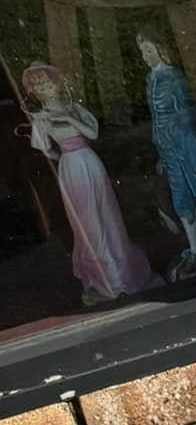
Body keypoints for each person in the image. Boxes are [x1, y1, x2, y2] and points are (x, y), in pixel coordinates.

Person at [21, 62, 158, 305]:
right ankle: (107, 280)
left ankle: (124, 273)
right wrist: (64, 157)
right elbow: (44, 149)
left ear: (57, 83)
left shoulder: (74, 109)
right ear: (35, 91)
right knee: (88, 222)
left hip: (90, 162)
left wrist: (68, 118)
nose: (45, 88)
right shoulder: (41, 119)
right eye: (39, 85)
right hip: (72, 168)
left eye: (48, 82)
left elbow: (93, 133)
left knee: (107, 214)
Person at [137, 32, 196, 277]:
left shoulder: (174, 77)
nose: (145, 56)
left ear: (160, 49)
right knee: (185, 197)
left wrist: (186, 145)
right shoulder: (151, 78)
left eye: (149, 50)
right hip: (168, 148)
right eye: (142, 52)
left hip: (182, 144)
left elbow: (188, 113)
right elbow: (156, 118)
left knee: (188, 197)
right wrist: (162, 150)